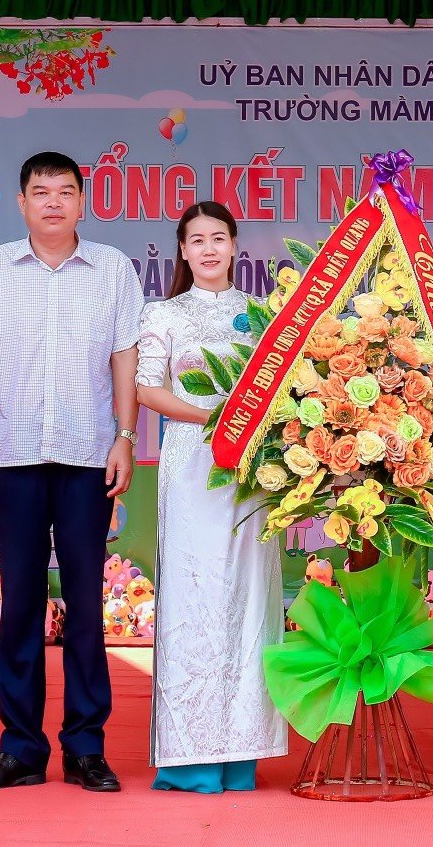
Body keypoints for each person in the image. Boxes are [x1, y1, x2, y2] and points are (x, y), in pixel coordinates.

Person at [0, 151, 143, 793]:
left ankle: (86, 747)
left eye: (66, 191)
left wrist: (125, 436)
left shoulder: (113, 269)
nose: (54, 202)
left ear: (83, 200)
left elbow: (127, 355)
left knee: (88, 607)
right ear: (22, 202)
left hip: (89, 453)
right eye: (42, 192)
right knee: (20, 605)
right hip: (15, 454)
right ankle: (21, 749)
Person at [135, 201, 287, 793]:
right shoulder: (163, 315)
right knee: (195, 597)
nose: (208, 250)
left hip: (253, 471)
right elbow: (148, 389)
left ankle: (241, 753)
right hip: (193, 463)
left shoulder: (260, 316)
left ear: (234, 246)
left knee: (249, 595)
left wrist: (250, 431)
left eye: (218, 238)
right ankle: (190, 758)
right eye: (196, 240)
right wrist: (213, 416)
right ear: (182, 250)